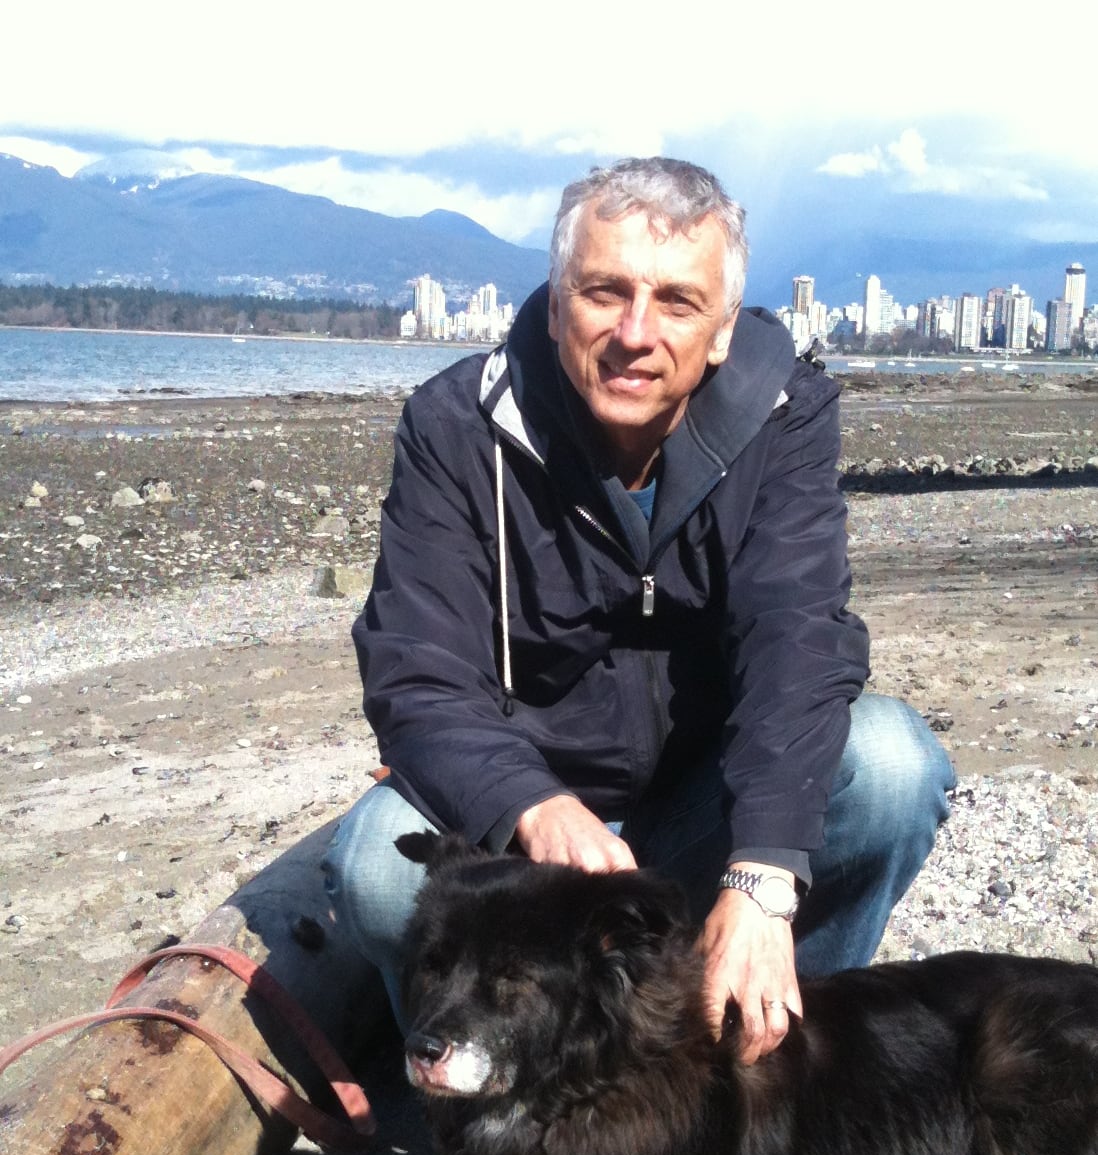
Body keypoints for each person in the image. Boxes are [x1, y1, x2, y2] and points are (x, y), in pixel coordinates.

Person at [324, 157, 955, 1064]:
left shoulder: (787, 418)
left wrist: (766, 874)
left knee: (892, 765)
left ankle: (759, 1049)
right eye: (604, 292)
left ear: (724, 328)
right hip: (533, 827)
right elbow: (417, 672)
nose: (635, 333)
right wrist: (528, 802)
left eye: (676, 302)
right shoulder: (455, 428)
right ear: (554, 304)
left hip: (712, 807)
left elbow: (800, 644)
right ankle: (485, 1083)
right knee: (376, 870)